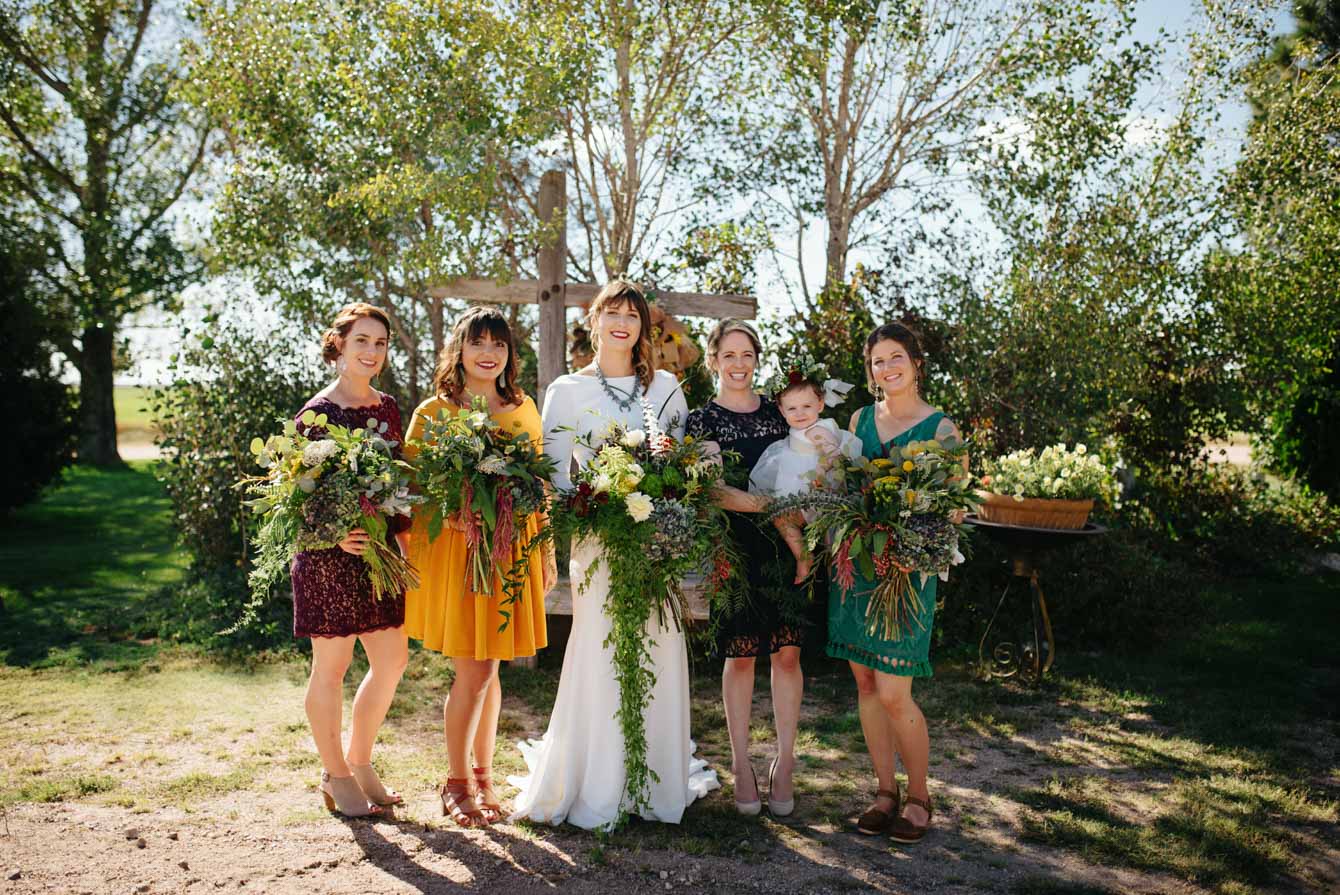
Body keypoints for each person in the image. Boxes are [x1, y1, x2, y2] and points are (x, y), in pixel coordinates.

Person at [510, 280, 719, 830]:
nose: (623, 322)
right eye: (614, 313)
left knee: (660, 642)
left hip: (656, 543)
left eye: (634, 315)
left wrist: (665, 498)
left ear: (644, 328)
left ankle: (655, 781)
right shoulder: (567, 389)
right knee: (600, 645)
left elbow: (679, 465)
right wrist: (598, 501)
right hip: (599, 540)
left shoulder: (669, 387)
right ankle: (597, 778)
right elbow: (556, 472)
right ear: (595, 320)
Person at [402, 306, 556, 827]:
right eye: (478, 343)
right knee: (476, 668)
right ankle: (455, 782)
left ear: (509, 354)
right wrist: (456, 516)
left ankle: (483, 776)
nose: (488, 354)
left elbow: (539, 489)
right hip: (459, 553)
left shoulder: (522, 408)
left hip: (511, 551)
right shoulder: (433, 412)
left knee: (492, 670)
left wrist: (547, 553)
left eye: (499, 345)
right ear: (459, 351)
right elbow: (414, 491)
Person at [830, 322, 962, 843]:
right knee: (865, 683)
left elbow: (952, 509)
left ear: (915, 362)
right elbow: (840, 482)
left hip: (906, 574)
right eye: (878, 361)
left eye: (896, 357)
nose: (887, 368)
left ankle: (921, 796)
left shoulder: (941, 429)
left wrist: (913, 550)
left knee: (894, 691)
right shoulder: (860, 418)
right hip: (857, 567)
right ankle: (885, 791)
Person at [290, 302, 410, 818]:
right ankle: (336, 775)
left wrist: (398, 533)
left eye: (380, 343)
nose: (371, 351)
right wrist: (335, 534)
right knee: (332, 667)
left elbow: (399, 481)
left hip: (378, 554)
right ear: (337, 344)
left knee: (392, 661)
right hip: (327, 559)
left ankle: (361, 762)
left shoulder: (387, 409)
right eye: (362, 340)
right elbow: (292, 500)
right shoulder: (314, 415)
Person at [684, 321, 804, 817]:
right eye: (728, 354)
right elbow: (712, 490)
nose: (738, 363)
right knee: (740, 659)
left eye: (747, 354)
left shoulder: (782, 415)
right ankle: (740, 763)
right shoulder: (701, 420)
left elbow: (812, 466)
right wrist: (772, 504)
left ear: (757, 358)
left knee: (788, 657)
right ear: (713, 360)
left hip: (786, 550)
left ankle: (786, 762)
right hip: (734, 551)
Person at [749, 362, 861, 580]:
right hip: (796, 484)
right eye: (792, 408)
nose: (799, 414)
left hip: (820, 489)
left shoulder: (818, 430)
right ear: (781, 410)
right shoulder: (793, 434)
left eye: (807, 406)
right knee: (780, 515)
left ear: (820, 404)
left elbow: (834, 454)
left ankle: (831, 570)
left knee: (830, 531)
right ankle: (804, 557)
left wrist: (819, 474)